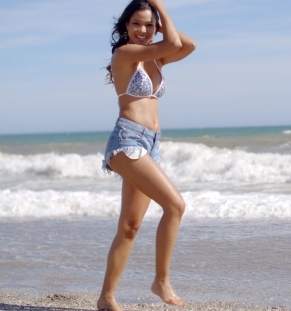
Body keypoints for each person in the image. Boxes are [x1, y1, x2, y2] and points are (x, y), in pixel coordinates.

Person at [97, 0, 195, 309]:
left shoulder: (156, 59)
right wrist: (158, 5)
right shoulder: (124, 54)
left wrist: (160, 21)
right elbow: (175, 43)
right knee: (175, 205)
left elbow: (188, 45)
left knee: (130, 226)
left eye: (149, 25)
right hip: (128, 140)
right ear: (125, 26)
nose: (143, 30)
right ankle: (161, 281)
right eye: (136, 23)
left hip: (152, 142)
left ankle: (105, 299)